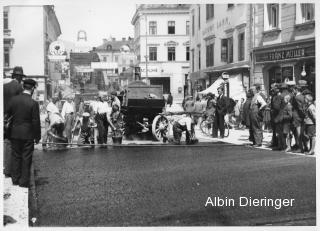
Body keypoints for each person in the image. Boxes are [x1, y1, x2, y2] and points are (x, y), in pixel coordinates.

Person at [6, 79, 41, 187]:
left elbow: (7, 114)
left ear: (24, 87)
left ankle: (15, 179)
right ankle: (23, 181)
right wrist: (37, 136)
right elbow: (35, 121)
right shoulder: (33, 103)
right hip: (28, 134)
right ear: (32, 89)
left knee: (15, 156)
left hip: (14, 133)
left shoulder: (14, 100)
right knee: (26, 158)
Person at [3, 66, 25, 177]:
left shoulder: (4, 85)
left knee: (6, 142)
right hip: (12, 120)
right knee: (12, 144)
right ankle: (9, 170)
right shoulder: (18, 87)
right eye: (21, 77)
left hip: (4, 118)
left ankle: (5, 167)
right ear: (19, 77)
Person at [291, 81, 306, 153]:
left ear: (296, 90)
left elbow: (299, 108)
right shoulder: (303, 96)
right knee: (302, 133)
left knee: (299, 133)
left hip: (297, 117)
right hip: (302, 117)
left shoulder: (296, 97)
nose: (293, 91)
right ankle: (305, 147)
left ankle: (301, 148)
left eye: (293, 90)